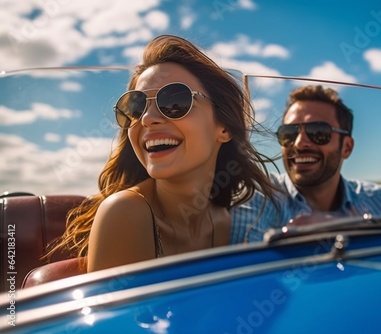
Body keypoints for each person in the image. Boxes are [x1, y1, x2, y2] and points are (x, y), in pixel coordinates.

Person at [45, 35, 278, 272]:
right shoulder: (125, 213)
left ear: (224, 127)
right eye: (135, 107)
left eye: (175, 101)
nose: (147, 119)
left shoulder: (226, 220)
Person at [230, 84, 381, 243]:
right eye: (289, 133)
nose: (299, 143)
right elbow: (242, 271)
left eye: (318, 132)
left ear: (346, 147)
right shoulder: (259, 195)